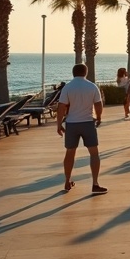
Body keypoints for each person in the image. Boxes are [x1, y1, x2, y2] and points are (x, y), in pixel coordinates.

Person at [57, 63, 106, 194]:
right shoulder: (92, 86)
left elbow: (61, 106)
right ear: (86, 72)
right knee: (94, 153)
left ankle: (67, 181)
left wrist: (58, 124)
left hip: (72, 124)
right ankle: (95, 183)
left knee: (70, 153)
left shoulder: (68, 87)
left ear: (73, 73)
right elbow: (98, 104)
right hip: (88, 123)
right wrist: (99, 117)